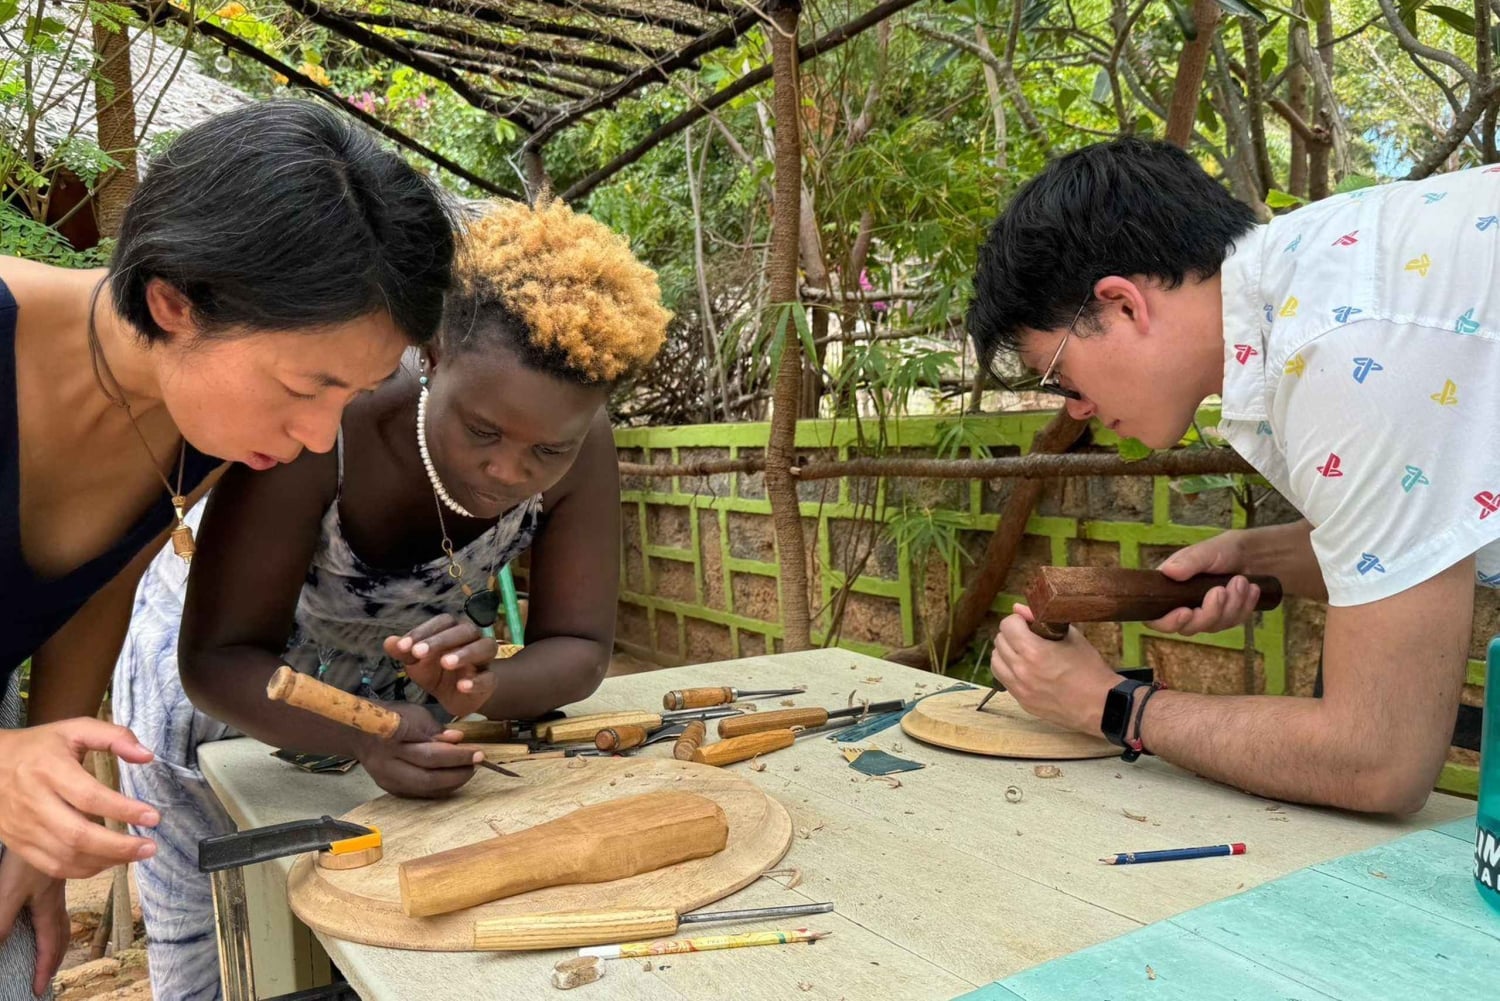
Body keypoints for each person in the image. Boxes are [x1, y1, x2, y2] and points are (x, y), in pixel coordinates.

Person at [113, 197, 668, 999]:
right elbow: (217, 659)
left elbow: (580, 645)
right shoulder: (328, 425)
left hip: (385, 720)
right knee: (220, 957)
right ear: (434, 355)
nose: (510, 471)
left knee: (373, 947)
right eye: (482, 431)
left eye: (549, 448)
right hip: (223, 703)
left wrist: (485, 689)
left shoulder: (579, 448)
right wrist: (362, 739)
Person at [0, 100, 454, 998]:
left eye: (352, 394)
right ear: (175, 301)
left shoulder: (204, 424)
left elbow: (101, 590)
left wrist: (40, 817)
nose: (322, 438)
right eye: (306, 385)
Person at [969, 137, 1499, 815]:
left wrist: (1110, 705)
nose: (1077, 409)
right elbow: (1417, 533)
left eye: (1061, 377)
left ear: (1124, 305)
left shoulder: (1335, 353)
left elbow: (1379, 759)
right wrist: (1251, 556)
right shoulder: (1327, 277)